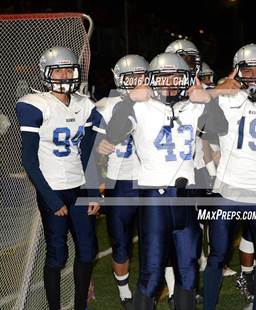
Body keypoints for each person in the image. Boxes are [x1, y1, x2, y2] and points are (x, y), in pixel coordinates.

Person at [106, 52, 226, 310]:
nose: (170, 82)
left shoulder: (194, 107)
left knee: (189, 272)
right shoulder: (140, 107)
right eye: (163, 77)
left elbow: (221, 128)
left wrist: (209, 102)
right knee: (151, 274)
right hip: (154, 201)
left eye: (176, 77)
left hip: (186, 198)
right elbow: (114, 134)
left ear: (186, 79)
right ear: (152, 80)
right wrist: (127, 100)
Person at [16, 46, 101, 310]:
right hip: (52, 188)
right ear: (46, 73)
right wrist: (52, 200)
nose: (64, 75)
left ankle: (79, 306)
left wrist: (94, 190)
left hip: (78, 187)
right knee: (57, 255)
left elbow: (88, 152)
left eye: (69, 69)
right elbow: (29, 160)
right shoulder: (35, 105)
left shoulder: (85, 104)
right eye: (58, 70)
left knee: (87, 251)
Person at [203, 43, 256, 310]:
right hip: (228, 190)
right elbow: (197, 104)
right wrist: (222, 86)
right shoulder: (227, 97)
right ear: (237, 71)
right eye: (247, 70)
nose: (253, 76)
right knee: (217, 256)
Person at [95, 54, 149, 309]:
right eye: (131, 77)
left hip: (150, 179)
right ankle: (125, 292)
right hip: (119, 181)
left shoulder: (155, 103)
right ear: (119, 79)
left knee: (157, 238)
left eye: (141, 76)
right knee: (120, 242)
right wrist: (100, 178)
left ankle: (168, 288)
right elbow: (95, 147)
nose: (137, 81)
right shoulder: (106, 105)